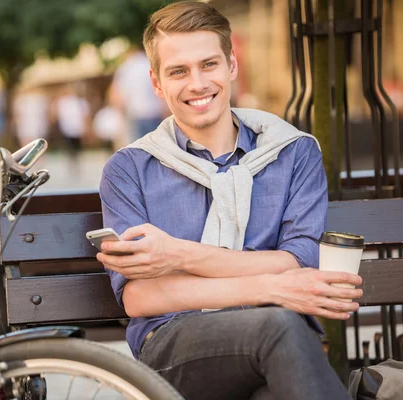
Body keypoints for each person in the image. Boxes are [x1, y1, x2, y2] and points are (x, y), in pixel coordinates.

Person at [97, 2, 362, 400]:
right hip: (176, 345)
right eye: (178, 71)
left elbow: (299, 261)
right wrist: (271, 288)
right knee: (279, 324)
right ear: (156, 83)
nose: (197, 83)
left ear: (232, 65)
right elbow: (140, 297)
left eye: (209, 65)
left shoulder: (293, 152)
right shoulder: (128, 169)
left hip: (281, 348)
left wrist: (177, 256)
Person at [110, 46, 166, 142]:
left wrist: (121, 118)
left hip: (135, 115)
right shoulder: (149, 64)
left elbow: (117, 96)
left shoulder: (125, 67)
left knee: (139, 151)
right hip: (155, 113)